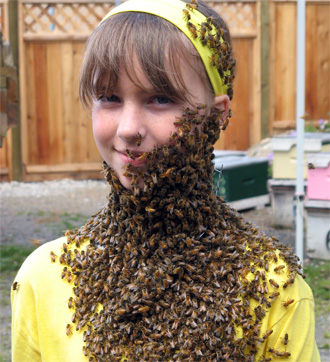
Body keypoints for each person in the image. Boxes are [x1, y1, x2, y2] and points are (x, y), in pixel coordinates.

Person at [11, 0, 320, 361]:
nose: (128, 129)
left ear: (216, 116)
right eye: (109, 97)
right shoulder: (42, 279)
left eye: (160, 98)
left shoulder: (273, 288)